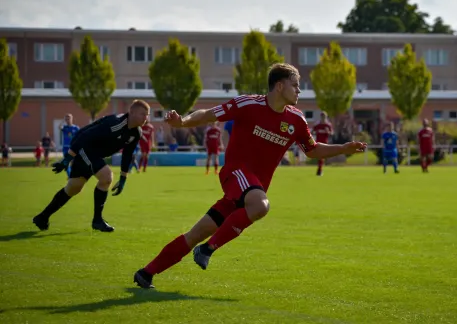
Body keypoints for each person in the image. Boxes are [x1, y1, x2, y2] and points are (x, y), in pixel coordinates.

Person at [133, 63, 366, 289]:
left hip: (247, 191)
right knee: (261, 205)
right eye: (295, 85)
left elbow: (312, 149)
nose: (299, 90)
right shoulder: (248, 104)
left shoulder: (296, 119)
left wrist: (343, 148)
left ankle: (146, 273)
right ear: (279, 86)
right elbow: (210, 114)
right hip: (236, 175)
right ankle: (207, 250)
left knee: (195, 233)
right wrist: (182, 122)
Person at [32, 100, 150, 233]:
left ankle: (42, 217)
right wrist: (67, 160)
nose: (146, 118)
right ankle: (97, 221)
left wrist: (123, 179)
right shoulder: (115, 123)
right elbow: (84, 136)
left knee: (73, 188)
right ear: (131, 112)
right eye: (143, 114)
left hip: (94, 154)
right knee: (106, 177)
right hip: (84, 147)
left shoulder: (136, 133)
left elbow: (127, 154)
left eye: (147, 115)